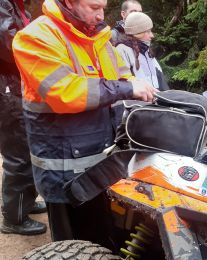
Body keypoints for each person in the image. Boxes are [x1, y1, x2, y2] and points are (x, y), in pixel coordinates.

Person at [12, 0, 156, 247]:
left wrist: (137, 87)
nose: (101, 15)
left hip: (100, 165)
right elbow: (64, 92)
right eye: (93, 7)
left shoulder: (98, 37)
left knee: (102, 240)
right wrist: (126, 87)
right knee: (72, 247)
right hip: (64, 172)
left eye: (103, 7)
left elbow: (122, 75)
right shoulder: (35, 37)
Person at [0, 0, 47, 235]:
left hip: (18, 87)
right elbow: (10, 46)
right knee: (17, 155)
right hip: (6, 89)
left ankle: (22, 204)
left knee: (27, 150)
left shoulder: (20, 9)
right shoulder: (3, 6)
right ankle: (13, 219)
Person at [116, 12, 169, 91]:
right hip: (137, 101)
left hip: (154, 99)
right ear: (137, 33)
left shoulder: (147, 50)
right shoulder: (122, 50)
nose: (152, 35)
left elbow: (159, 79)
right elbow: (123, 81)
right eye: (148, 32)